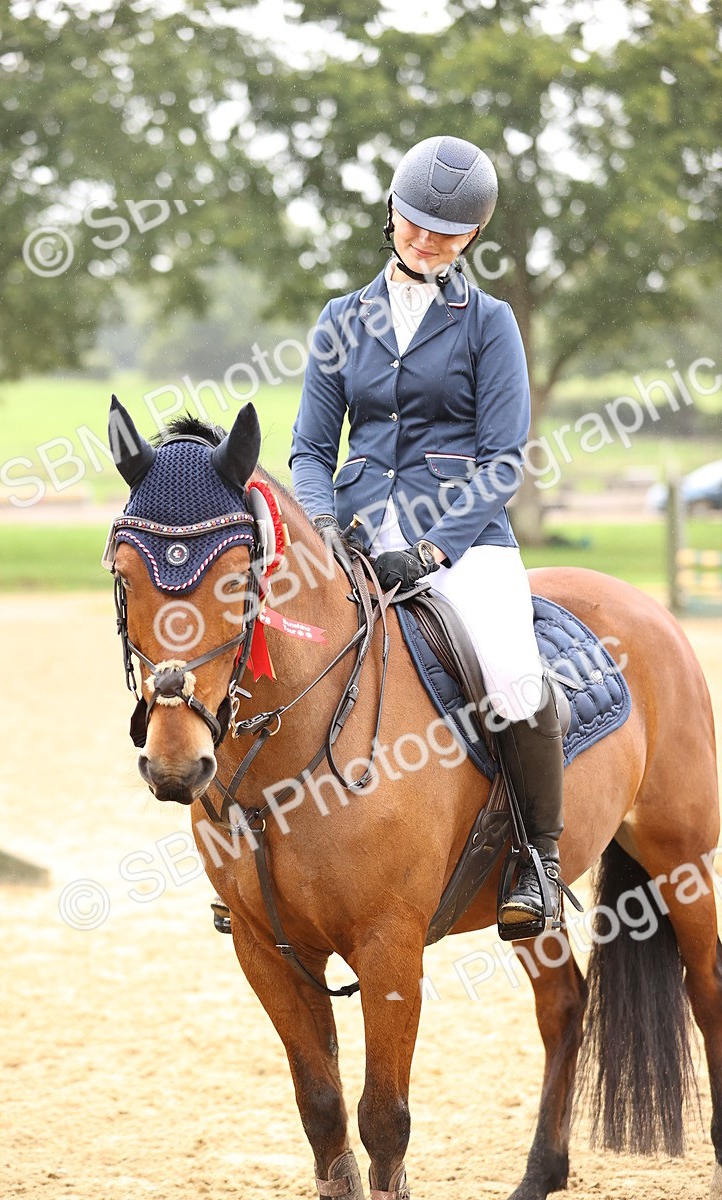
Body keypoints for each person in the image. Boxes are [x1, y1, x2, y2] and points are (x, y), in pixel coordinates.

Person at [290, 134, 566, 939]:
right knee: (274, 652)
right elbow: (311, 447)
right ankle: (258, 848)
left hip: (465, 541)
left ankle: (538, 859)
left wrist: (434, 549)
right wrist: (327, 525)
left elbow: (503, 456)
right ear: (392, 215)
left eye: (446, 234)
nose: (427, 241)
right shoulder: (342, 320)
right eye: (415, 225)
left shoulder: (490, 323)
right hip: (353, 533)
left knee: (514, 675)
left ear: (472, 237)